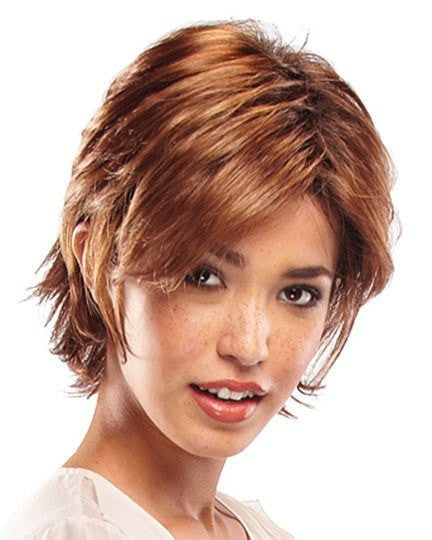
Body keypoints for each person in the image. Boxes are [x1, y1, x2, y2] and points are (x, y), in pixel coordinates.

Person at [3, 19, 395, 539]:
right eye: (204, 277)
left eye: (297, 293)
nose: (249, 346)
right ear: (98, 262)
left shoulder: (249, 529)